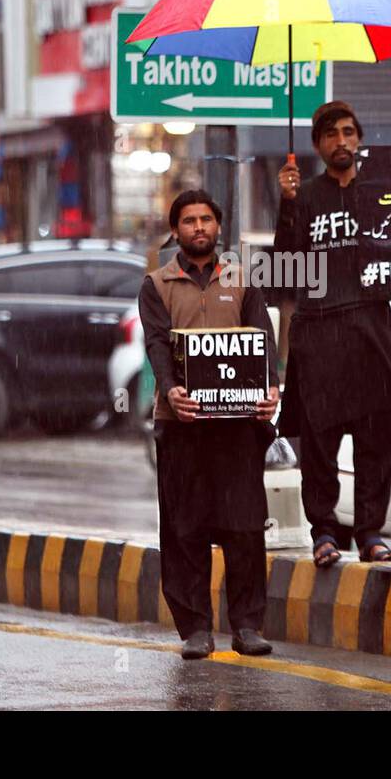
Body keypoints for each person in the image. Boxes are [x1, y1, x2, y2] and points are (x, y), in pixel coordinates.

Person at [275, 101, 391, 568]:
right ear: (317, 145)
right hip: (317, 341)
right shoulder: (305, 197)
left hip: (373, 340)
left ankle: (370, 533)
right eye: (332, 134)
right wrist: (288, 204)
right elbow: (283, 273)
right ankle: (323, 532)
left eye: (349, 132)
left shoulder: (381, 193)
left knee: (377, 443)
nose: (342, 141)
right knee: (319, 447)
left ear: (359, 138)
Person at [138, 189, 281, 660]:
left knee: (244, 525)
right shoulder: (157, 284)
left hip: (237, 426)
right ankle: (195, 628)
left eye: (206, 220)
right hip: (181, 425)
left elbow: (263, 338)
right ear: (176, 230)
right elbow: (158, 345)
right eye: (188, 221)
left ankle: (247, 626)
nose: (198, 227)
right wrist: (170, 389)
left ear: (218, 227)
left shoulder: (243, 280)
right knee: (185, 528)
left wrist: (270, 390)